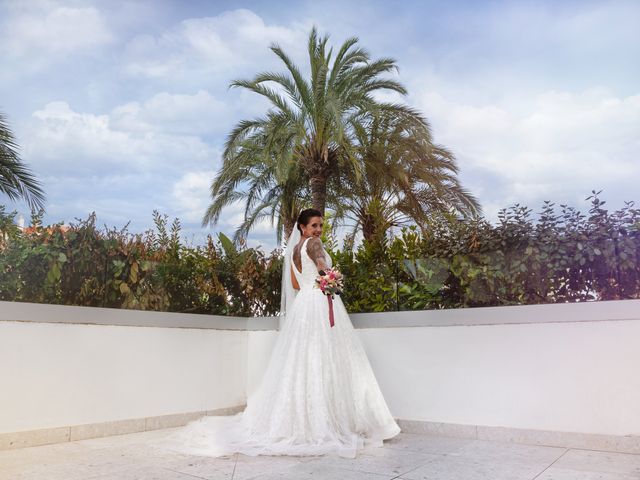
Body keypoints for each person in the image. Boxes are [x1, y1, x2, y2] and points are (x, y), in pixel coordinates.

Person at [162, 209, 400, 458]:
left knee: (302, 361)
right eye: (314, 225)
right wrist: (328, 277)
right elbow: (320, 263)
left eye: (320, 225)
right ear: (302, 226)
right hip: (319, 301)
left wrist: (319, 280)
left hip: (303, 306)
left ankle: (305, 422)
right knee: (326, 358)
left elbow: (296, 284)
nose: (318, 230)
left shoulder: (294, 250)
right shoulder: (315, 244)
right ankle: (326, 422)